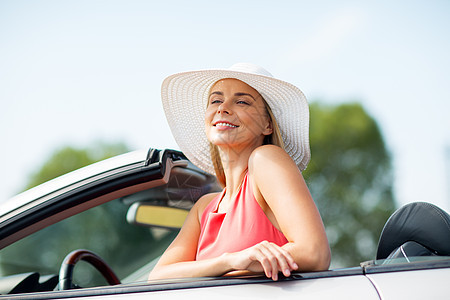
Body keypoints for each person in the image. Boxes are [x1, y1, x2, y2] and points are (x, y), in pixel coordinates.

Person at [148, 63, 330, 281]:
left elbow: (315, 253)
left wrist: (244, 262)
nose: (222, 108)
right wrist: (230, 260)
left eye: (242, 101)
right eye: (216, 100)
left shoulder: (265, 159)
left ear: (267, 125)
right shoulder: (204, 208)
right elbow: (158, 277)